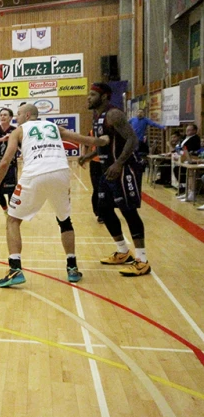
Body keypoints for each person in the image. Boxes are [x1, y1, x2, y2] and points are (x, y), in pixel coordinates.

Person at [0, 104, 108, 287]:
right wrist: (103, 141)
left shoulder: (18, 131)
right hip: (61, 172)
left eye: (18, 114)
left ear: (27, 115)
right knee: (65, 221)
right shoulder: (53, 127)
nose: (15, 118)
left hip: (35, 173)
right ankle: (72, 267)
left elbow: (4, 162)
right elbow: (82, 139)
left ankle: (14, 270)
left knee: (12, 220)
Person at [88, 82, 152, 277]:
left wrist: (119, 164)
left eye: (92, 95)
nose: (88, 98)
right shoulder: (97, 115)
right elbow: (105, 142)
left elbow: (132, 140)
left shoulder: (113, 113)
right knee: (104, 209)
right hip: (107, 169)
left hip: (124, 169)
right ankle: (124, 252)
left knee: (128, 211)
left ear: (105, 96)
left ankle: (142, 260)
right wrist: (89, 156)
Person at [77, 130, 104, 223]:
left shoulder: (110, 131)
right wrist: (83, 157)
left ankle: (105, 212)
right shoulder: (92, 132)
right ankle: (99, 213)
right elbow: (85, 145)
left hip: (108, 163)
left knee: (106, 189)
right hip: (95, 164)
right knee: (97, 188)